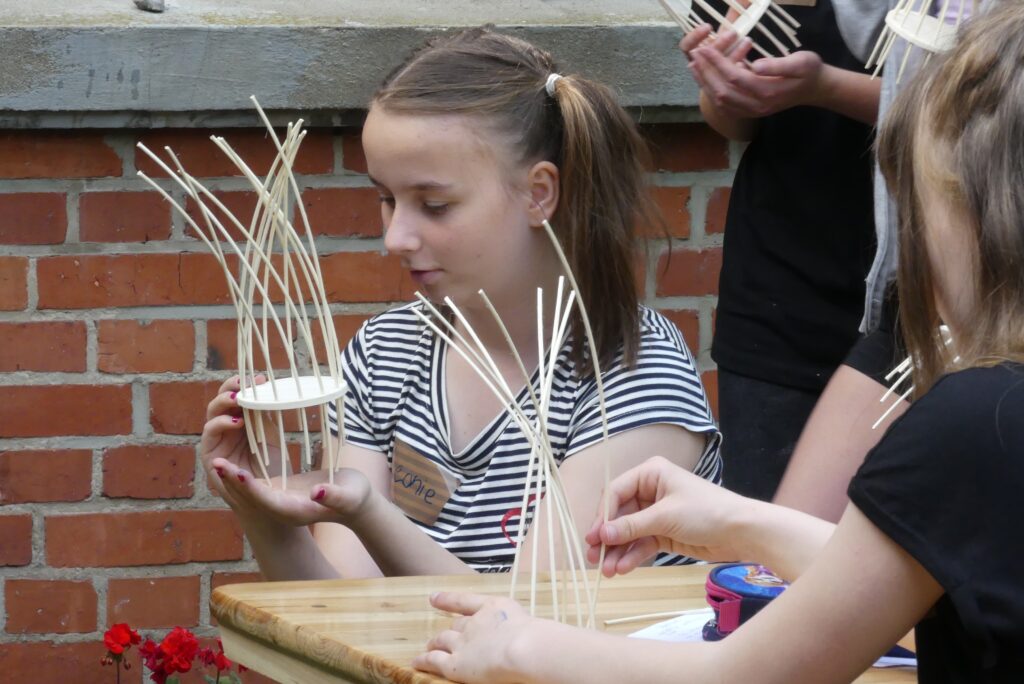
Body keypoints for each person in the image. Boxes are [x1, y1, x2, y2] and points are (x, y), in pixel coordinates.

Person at [413, 3, 1024, 680]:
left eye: (917, 202)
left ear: (980, 214)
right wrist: (738, 522)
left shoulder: (976, 421)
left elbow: (741, 675)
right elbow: (921, 566)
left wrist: (517, 649)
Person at [199, 28, 722, 579]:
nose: (395, 237)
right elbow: (343, 610)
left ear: (538, 192)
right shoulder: (384, 353)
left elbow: (533, 625)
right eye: (386, 198)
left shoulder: (634, 371)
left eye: (434, 204)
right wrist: (261, 506)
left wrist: (366, 510)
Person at [682, 1, 881, 502]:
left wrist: (828, 88)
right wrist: (726, 90)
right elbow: (734, 122)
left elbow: (982, 99)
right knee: (762, 568)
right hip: (780, 293)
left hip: (934, 291)